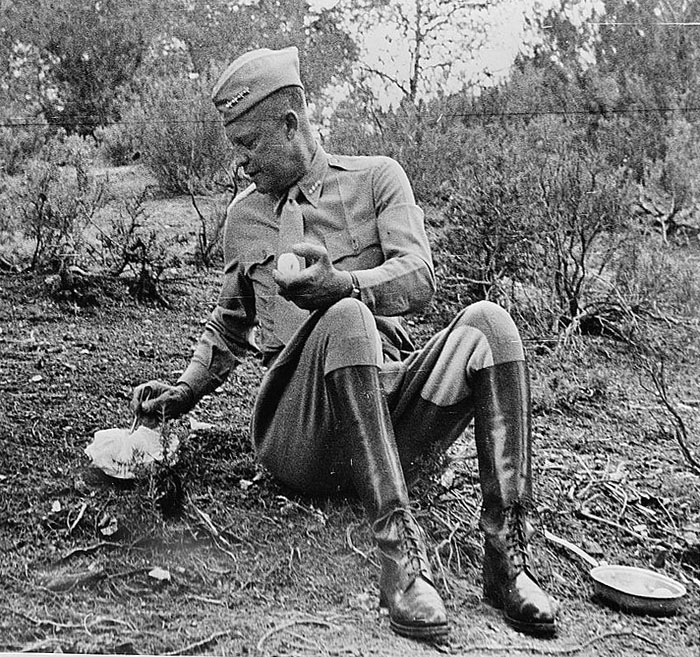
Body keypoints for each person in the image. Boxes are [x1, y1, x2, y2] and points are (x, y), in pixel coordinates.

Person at [132, 46, 557, 641]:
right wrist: (184, 391)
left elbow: (419, 279)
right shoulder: (242, 218)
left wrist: (346, 282)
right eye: (236, 149)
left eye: (250, 144)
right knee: (346, 318)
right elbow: (229, 323)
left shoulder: (377, 179)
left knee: (491, 323)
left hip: (386, 416)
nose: (242, 163)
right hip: (298, 432)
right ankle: (399, 561)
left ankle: (506, 557)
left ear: (291, 122)